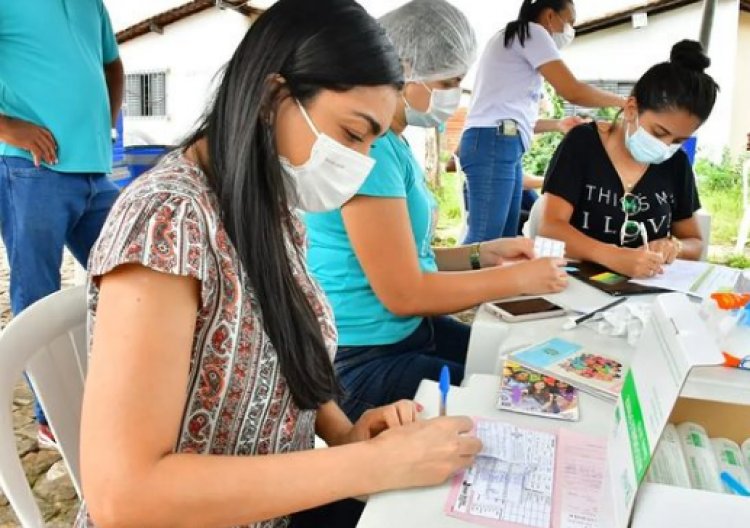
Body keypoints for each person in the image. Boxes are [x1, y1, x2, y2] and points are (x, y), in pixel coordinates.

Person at [77, 2, 482, 527]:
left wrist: (343, 432)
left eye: (373, 143)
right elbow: (124, 498)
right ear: (274, 95)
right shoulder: (169, 220)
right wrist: (366, 465)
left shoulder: (269, 204)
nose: (358, 164)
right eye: (353, 134)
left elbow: (284, 348)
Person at [305, 0, 568, 423]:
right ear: (404, 68)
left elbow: (409, 261)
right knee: (517, 404)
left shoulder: (393, 144)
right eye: (449, 80)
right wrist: (515, 278)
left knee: (523, 371)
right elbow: (404, 292)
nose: (453, 95)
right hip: (364, 359)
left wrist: (484, 253)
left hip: (407, 334)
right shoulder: (370, 150)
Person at [0, 0, 123, 447]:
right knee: (36, 293)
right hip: (30, 171)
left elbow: (113, 65)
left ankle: (121, 391)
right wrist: (6, 126)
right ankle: (51, 413)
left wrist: (103, 126)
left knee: (130, 274)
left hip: (94, 171)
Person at [539, 40, 719, 279]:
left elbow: (694, 242)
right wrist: (611, 256)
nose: (665, 147)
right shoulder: (583, 143)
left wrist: (674, 246)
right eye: (659, 133)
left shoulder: (676, 164)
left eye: (679, 140)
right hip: (576, 282)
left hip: (645, 293)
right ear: (632, 109)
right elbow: (551, 228)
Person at [460, 0, 625, 243]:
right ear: (549, 16)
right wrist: (623, 101)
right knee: (484, 242)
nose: (570, 30)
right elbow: (572, 91)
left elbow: (516, 119)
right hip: (494, 143)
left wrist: (557, 124)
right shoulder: (533, 33)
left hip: (498, 142)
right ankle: (450, 280)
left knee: (502, 240)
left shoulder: (513, 39)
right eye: (569, 22)